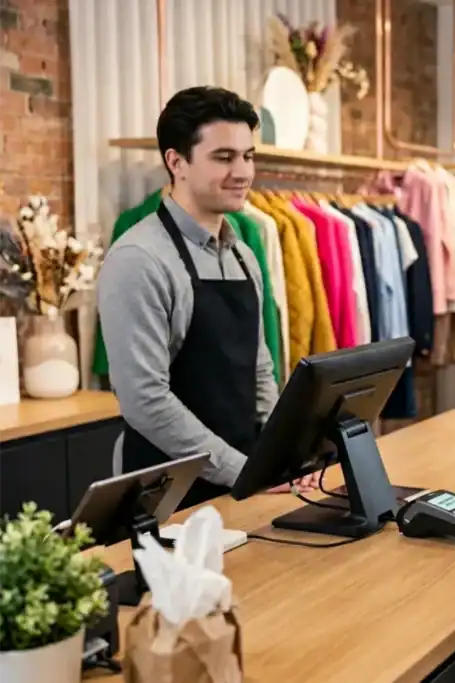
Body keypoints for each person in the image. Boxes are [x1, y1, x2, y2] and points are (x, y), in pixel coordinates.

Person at [97, 86, 314, 510]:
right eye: (223, 157)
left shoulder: (244, 254)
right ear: (175, 161)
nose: (243, 172)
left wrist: (277, 455)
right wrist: (243, 471)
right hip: (168, 495)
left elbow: (259, 368)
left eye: (248, 156)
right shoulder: (138, 259)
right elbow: (145, 401)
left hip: (239, 486)